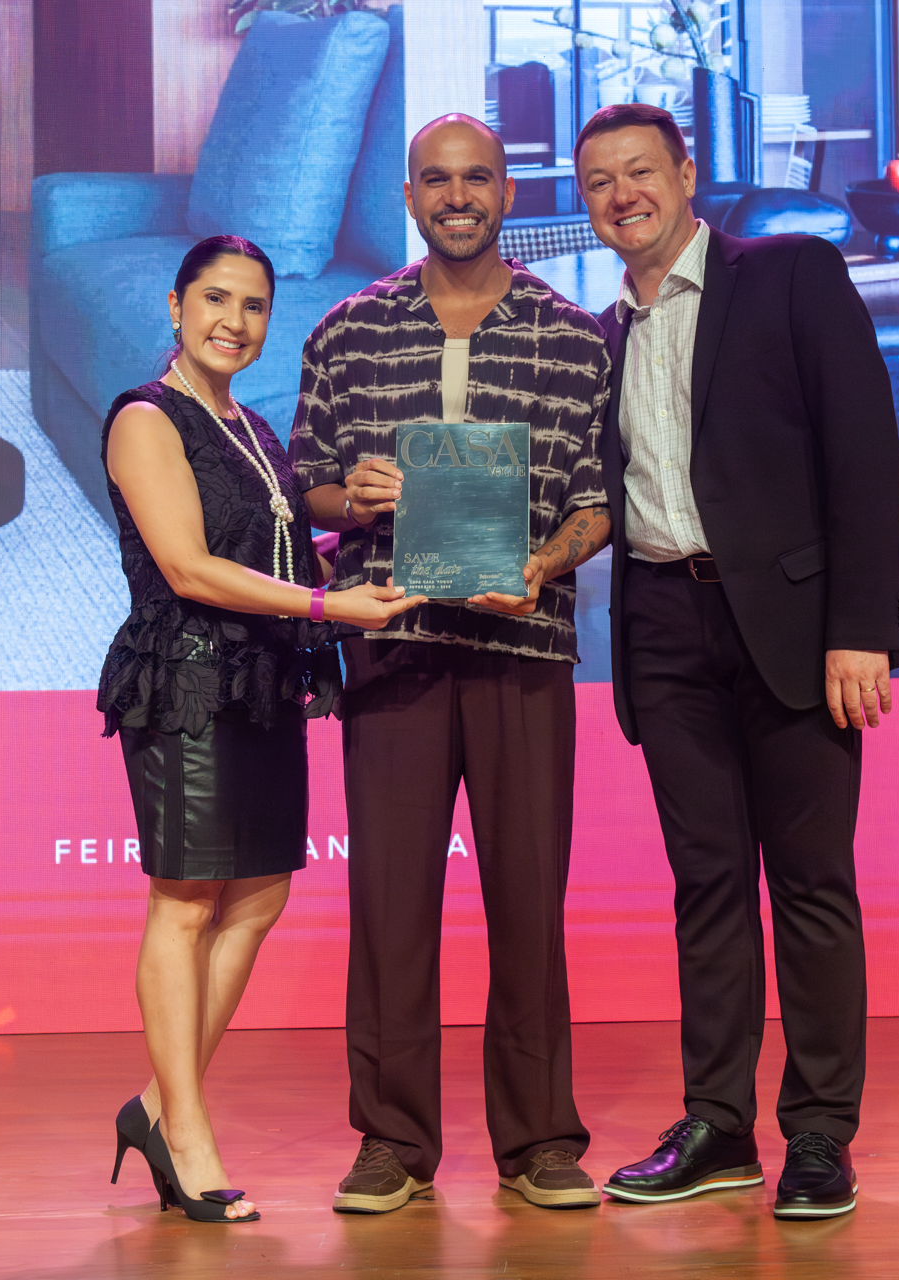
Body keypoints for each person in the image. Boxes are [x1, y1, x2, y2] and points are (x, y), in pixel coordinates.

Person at [574, 104, 899, 1219]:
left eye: (641, 171)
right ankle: (717, 1123)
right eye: (600, 182)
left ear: (686, 173)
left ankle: (817, 1132)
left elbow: (865, 451)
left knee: (810, 883)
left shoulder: (789, 275)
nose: (623, 195)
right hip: (665, 628)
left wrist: (860, 626)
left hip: (796, 628)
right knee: (708, 887)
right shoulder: (603, 335)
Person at [288, 114, 614, 1214]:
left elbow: (595, 502)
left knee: (529, 901)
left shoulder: (574, 338)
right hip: (393, 649)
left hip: (525, 648)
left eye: (477, 178)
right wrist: (352, 498)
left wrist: (546, 562)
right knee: (390, 904)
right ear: (410, 196)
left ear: (508, 193)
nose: (458, 196)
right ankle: (391, 1138)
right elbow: (306, 483)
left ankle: (540, 1140)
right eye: (437, 179)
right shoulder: (348, 331)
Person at [97, 235, 423, 1224]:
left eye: (253, 306)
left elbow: (272, 552)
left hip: (266, 678)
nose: (232, 322)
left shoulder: (249, 423)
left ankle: (157, 1107)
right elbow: (190, 567)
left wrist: (370, 537)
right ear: (176, 305)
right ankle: (187, 1132)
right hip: (189, 680)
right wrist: (329, 608)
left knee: (259, 895)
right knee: (186, 901)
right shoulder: (146, 418)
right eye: (215, 299)